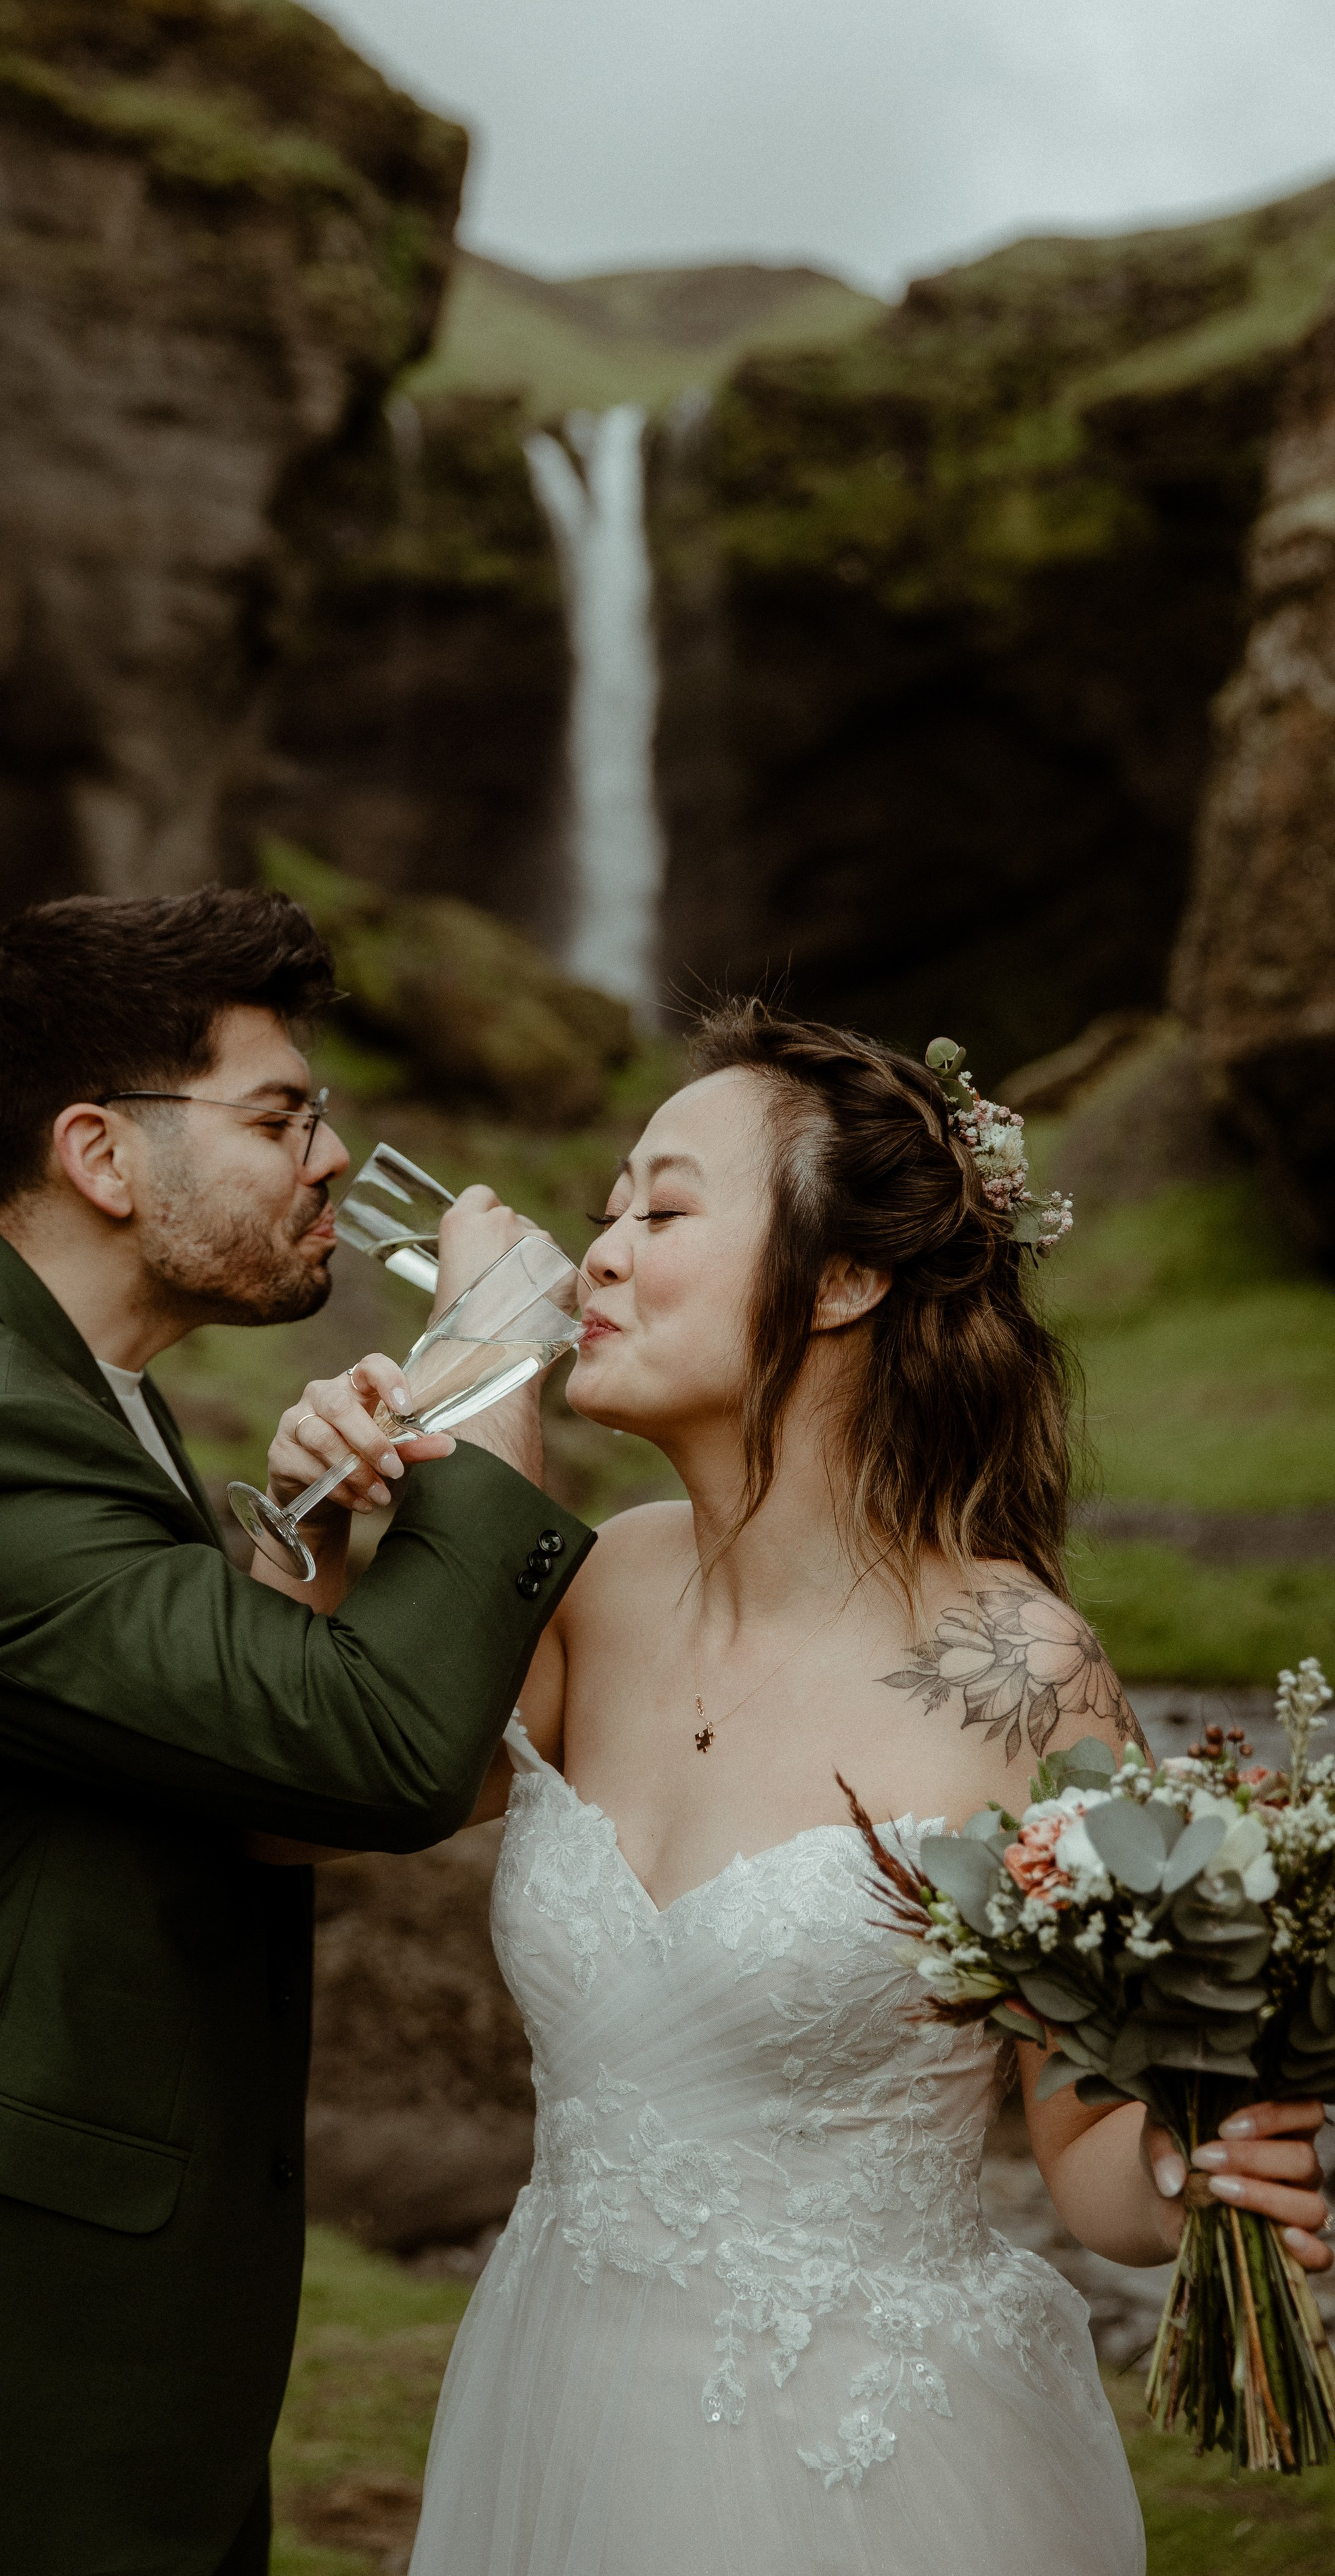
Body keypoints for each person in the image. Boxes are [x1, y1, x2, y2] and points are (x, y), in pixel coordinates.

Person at [0, 886, 593, 2576]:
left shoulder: (42, 1376)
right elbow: (376, 1757)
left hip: (68, 2314)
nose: (333, 1157)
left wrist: (308, 1540)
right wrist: (494, 1353)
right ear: (103, 1156)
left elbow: (213, 1746)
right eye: (282, 1116)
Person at [396, 1007, 1330, 2576]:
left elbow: (1091, 2155)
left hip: (867, 2469)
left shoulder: (1024, 1674)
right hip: (550, 2404)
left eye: (665, 1209)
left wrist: (1201, 2174)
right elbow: (338, 1791)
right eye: (609, 1205)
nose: (597, 1255)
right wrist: (359, 1504)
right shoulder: (593, 1586)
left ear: (843, 1279)